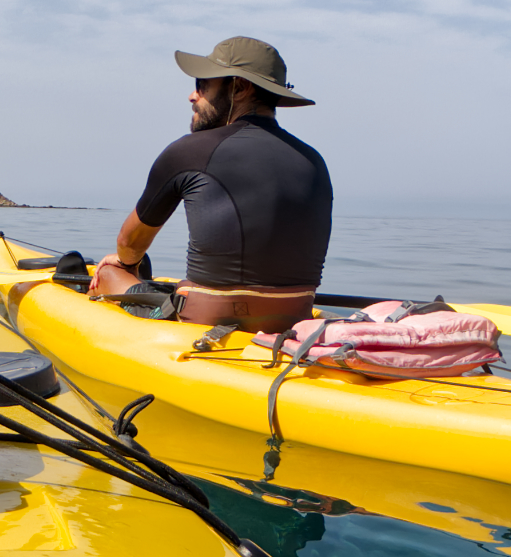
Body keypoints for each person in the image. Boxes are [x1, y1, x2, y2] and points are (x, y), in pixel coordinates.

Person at [90, 36, 332, 334]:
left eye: (202, 84)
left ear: (240, 88)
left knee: (112, 270)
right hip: (292, 321)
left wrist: (127, 263)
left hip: (204, 319)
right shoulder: (314, 161)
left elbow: (129, 244)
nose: (193, 96)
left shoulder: (189, 151)